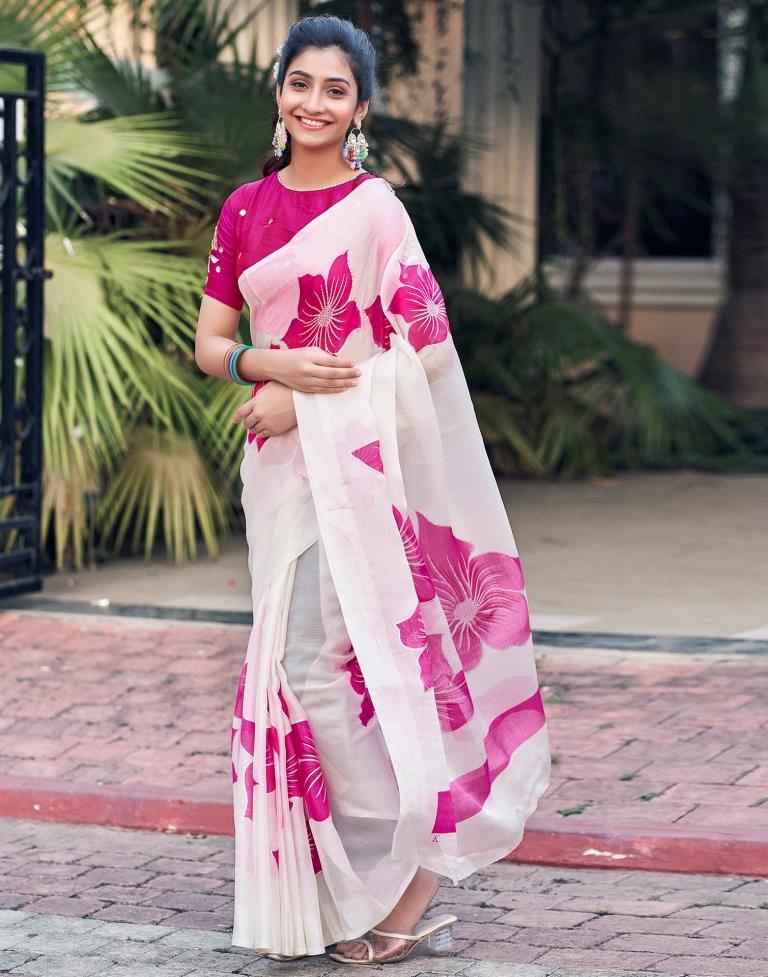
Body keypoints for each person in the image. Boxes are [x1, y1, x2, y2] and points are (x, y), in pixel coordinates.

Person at [194, 13, 551, 967]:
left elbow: (424, 353)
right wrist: (270, 374)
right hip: (275, 473)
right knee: (291, 678)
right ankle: (332, 891)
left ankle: (413, 866)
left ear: (360, 108)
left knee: (323, 670)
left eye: (335, 89)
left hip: (355, 472)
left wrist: (306, 402)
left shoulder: (377, 211)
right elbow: (211, 344)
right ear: (279, 91)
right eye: (300, 83)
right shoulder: (243, 209)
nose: (314, 102)